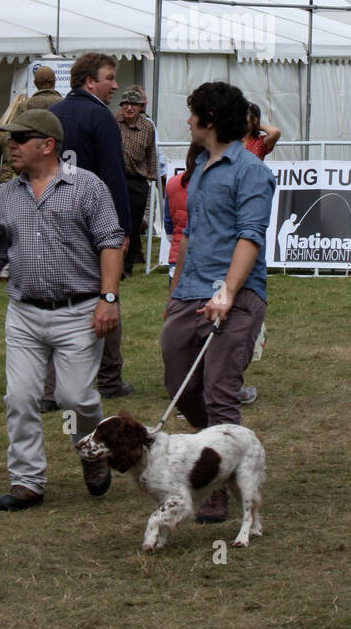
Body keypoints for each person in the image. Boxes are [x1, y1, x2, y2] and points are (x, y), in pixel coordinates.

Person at [0, 109, 125, 508]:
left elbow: (111, 242)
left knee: (76, 398)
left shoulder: (87, 187)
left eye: (19, 139)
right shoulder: (7, 196)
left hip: (79, 312)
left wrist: (108, 299)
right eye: (10, 140)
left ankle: (92, 453)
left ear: (47, 145)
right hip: (24, 314)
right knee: (19, 398)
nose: (10, 146)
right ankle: (27, 481)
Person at [161, 82, 275, 523]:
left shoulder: (251, 171)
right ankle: (214, 448)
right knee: (179, 383)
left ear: (209, 119)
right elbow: (188, 234)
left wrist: (227, 293)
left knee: (220, 391)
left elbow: (250, 236)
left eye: (193, 113)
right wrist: (174, 292)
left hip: (237, 296)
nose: (188, 120)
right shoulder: (200, 166)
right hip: (188, 293)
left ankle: (218, 488)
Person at [50, 53, 132, 399]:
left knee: (56, 299)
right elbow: (115, 175)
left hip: (52, 218)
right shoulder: (101, 117)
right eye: (110, 78)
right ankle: (109, 380)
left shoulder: (51, 114)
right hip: (95, 223)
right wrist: (124, 229)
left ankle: (50, 385)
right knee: (105, 294)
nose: (115, 85)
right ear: (90, 82)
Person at [117, 87, 158, 277]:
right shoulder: (113, 123)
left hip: (138, 181)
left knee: (134, 226)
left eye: (133, 104)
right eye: (125, 104)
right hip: (117, 179)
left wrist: (151, 177)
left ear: (140, 107)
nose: (129, 108)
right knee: (116, 224)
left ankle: (127, 267)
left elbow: (151, 153)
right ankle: (112, 264)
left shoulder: (148, 127)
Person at [163, 141, 202, 282]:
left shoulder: (172, 183)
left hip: (177, 255)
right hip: (208, 259)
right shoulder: (218, 184)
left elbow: (168, 224)